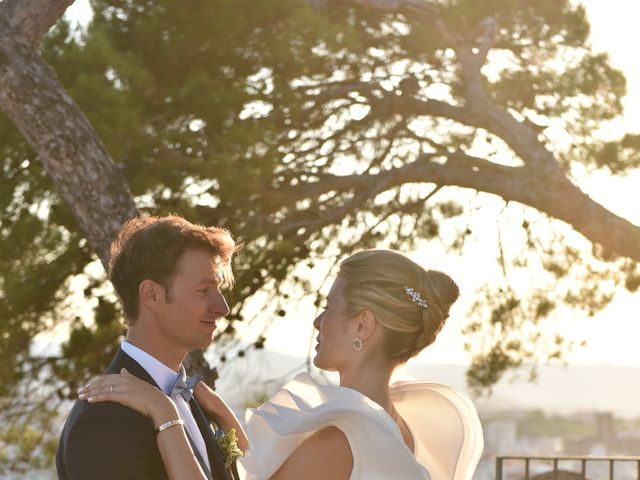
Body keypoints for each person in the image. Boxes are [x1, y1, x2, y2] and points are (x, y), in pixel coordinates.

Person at [79, 249, 484, 480]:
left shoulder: (343, 441)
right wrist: (229, 426)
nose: (317, 322)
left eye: (329, 308)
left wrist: (165, 415)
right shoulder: (402, 427)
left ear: (363, 324)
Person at [56, 215, 242, 480]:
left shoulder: (196, 402)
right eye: (204, 290)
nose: (222, 308)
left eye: (218, 289)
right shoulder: (104, 419)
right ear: (152, 295)